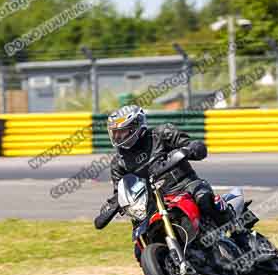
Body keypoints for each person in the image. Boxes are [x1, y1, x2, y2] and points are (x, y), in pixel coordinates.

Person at [99, 104, 234, 249]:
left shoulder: (162, 134)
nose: (118, 137)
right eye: (115, 133)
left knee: (204, 199)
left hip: (185, 186)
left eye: (123, 132)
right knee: (140, 248)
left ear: (136, 126)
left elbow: (190, 144)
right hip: (153, 204)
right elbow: (120, 191)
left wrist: (193, 148)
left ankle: (237, 229)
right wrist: (109, 208)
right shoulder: (119, 162)